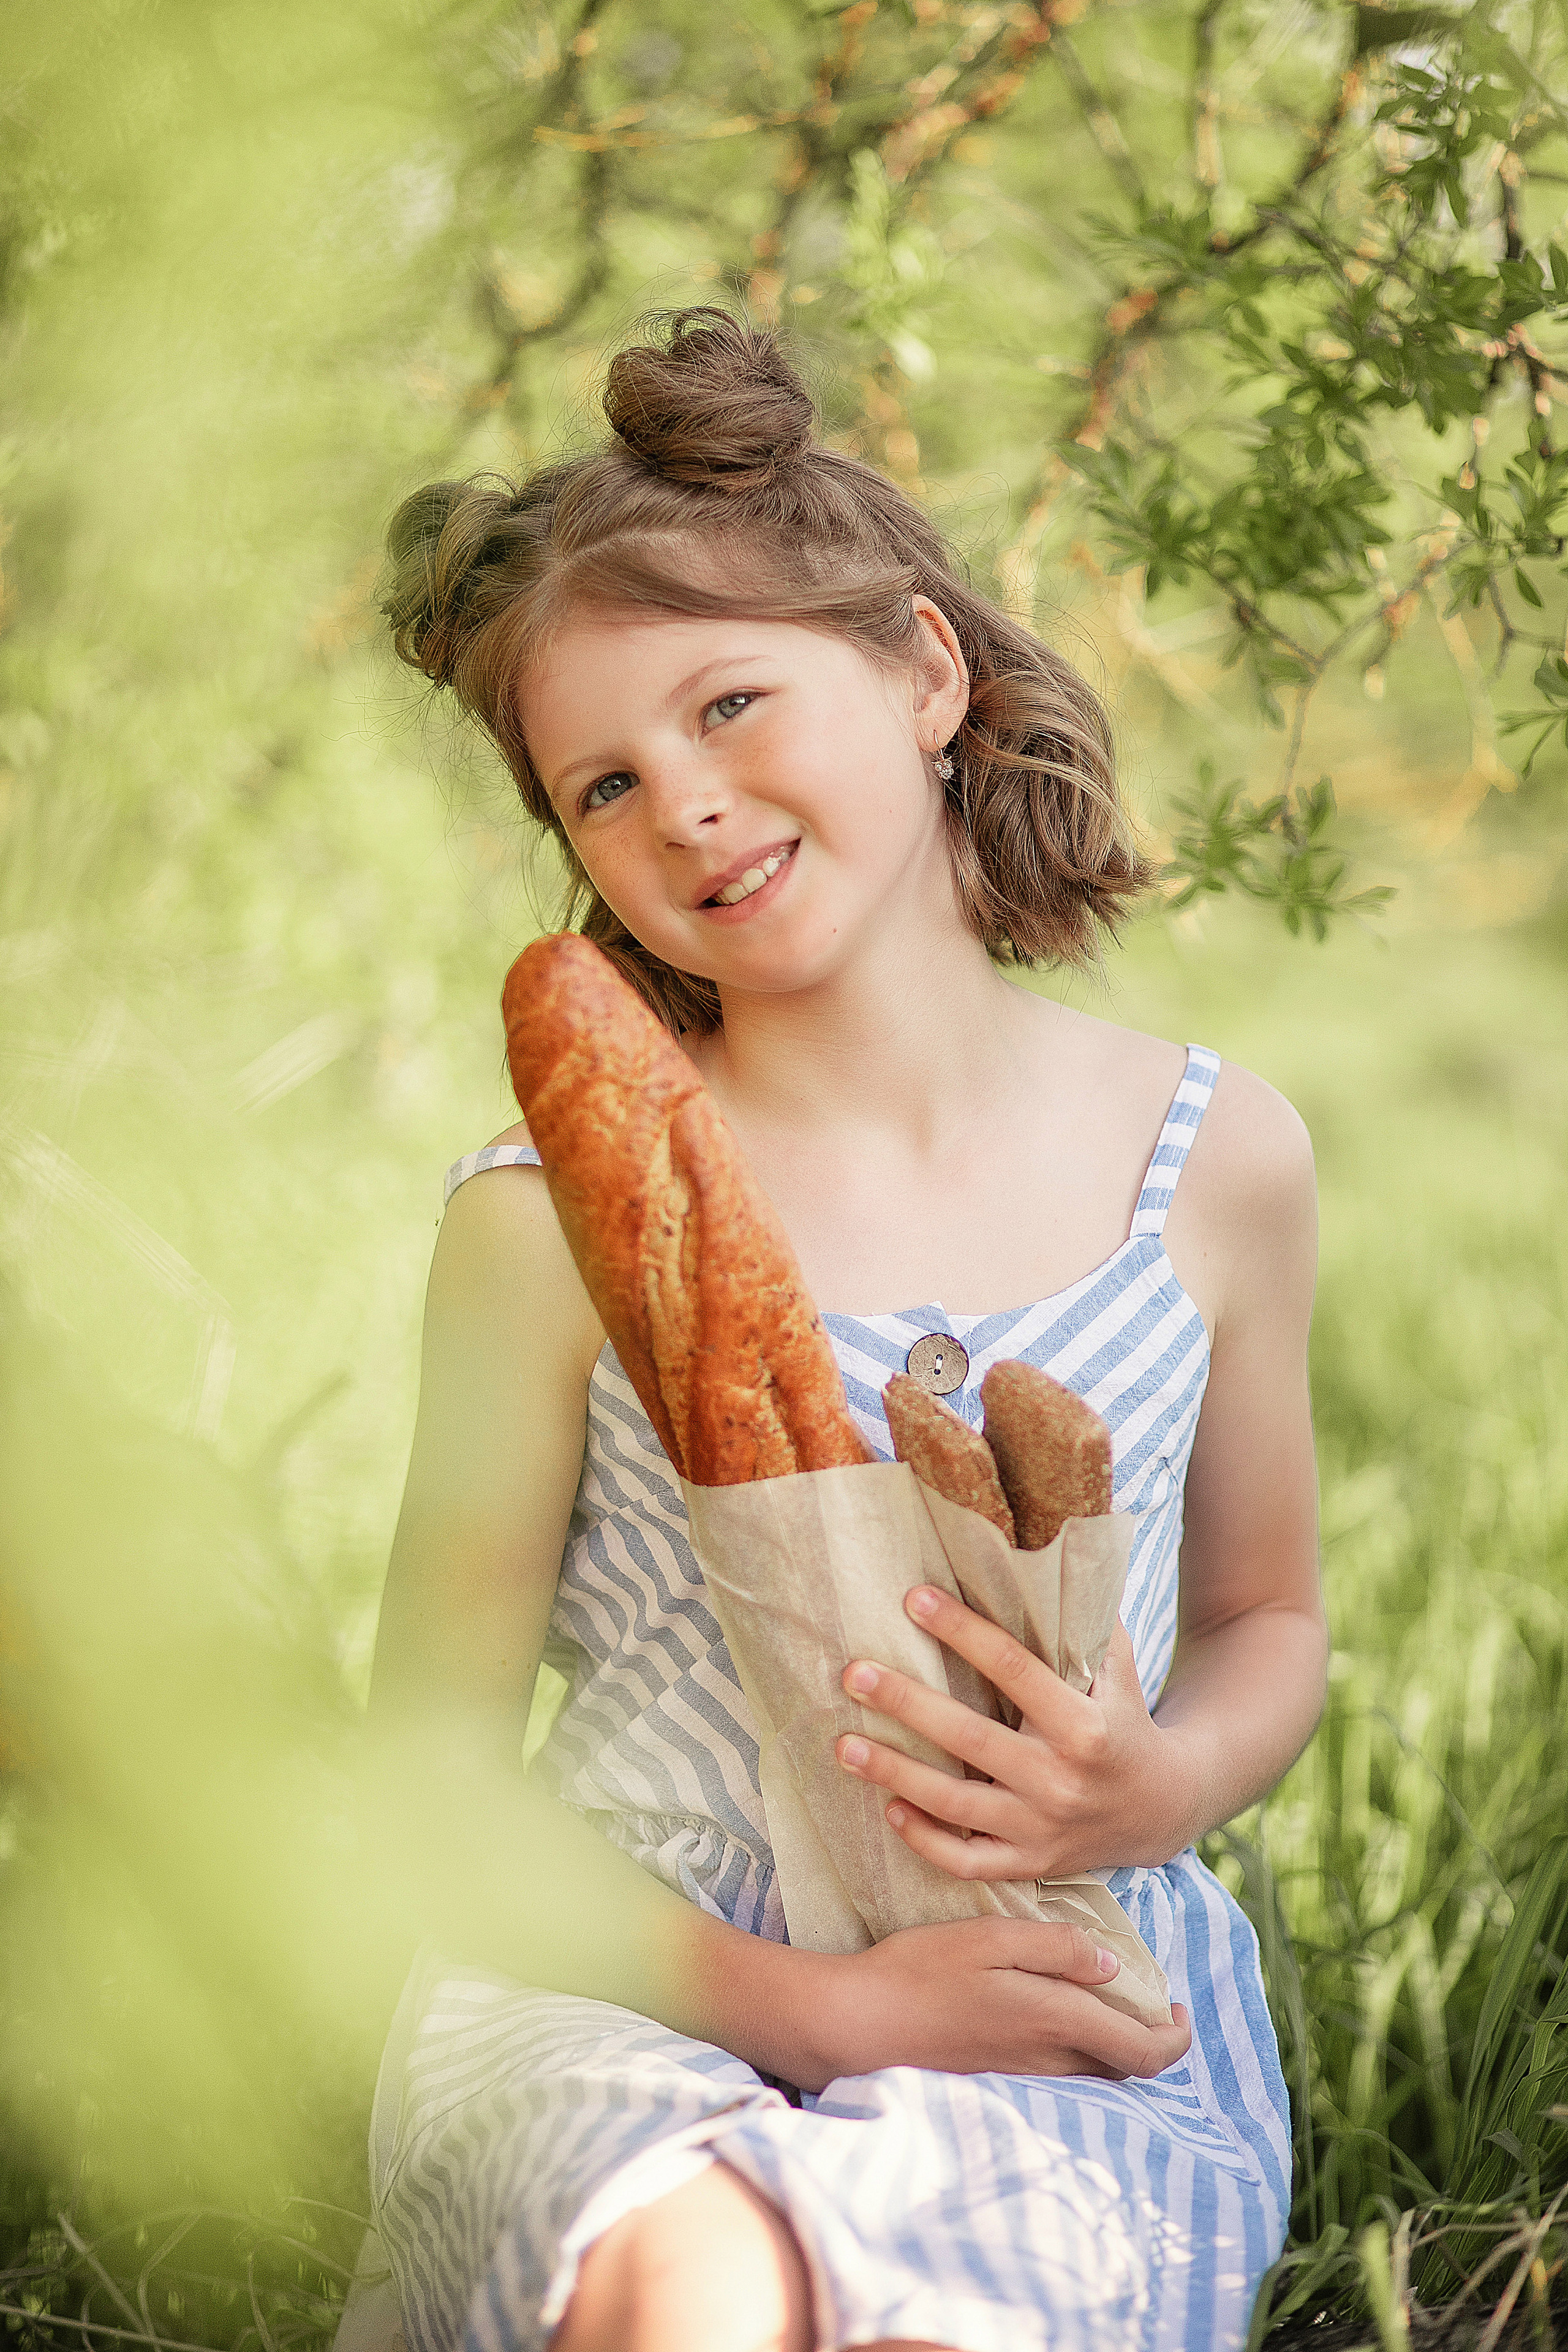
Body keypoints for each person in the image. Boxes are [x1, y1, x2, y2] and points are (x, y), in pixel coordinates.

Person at [365, 308, 1327, 2352]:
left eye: (733, 704)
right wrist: (811, 2006)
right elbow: (429, 1781)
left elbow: (1268, 1623)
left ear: (922, 667)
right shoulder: (547, 1224)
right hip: (631, 1968)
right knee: (695, 2291)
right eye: (607, 780)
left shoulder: (1215, 1156)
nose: (686, 806)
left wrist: (1156, 1793)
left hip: (1054, 1976)